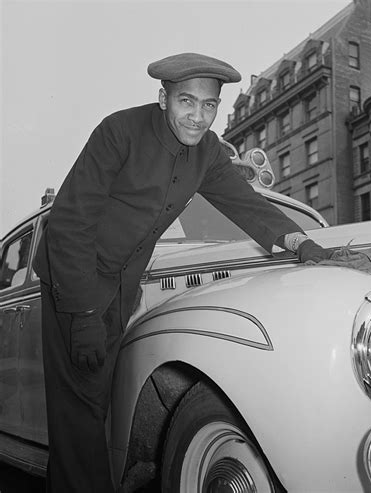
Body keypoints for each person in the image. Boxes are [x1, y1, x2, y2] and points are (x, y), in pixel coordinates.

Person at [32, 52, 350, 492]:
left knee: (91, 408)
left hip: (123, 286)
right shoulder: (118, 131)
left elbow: (246, 204)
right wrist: (83, 313)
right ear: (163, 98)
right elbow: (69, 222)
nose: (198, 117)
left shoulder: (208, 154)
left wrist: (302, 243)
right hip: (73, 278)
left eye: (209, 105)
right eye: (187, 102)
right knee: (78, 409)